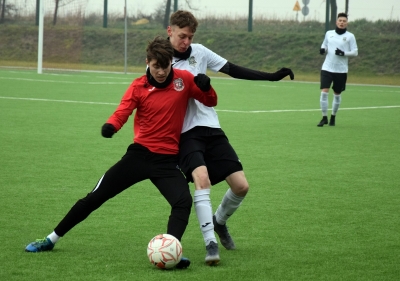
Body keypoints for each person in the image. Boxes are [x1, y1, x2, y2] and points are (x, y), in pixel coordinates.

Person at [24, 36, 218, 270]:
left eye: (165, 67)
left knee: (182, 201)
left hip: (167, 161)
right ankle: (50, 239)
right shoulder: (138, 86)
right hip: (138, 156)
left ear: (171, 64)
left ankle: (170, 250)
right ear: (147, 62)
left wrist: (207, 88)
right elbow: (123, 111)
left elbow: (210, 100)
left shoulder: (183, 80)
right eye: (156, 66)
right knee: (95, 196)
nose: (161, 72)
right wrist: (112, 126)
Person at [167, 10, 294, 265]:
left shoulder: (200, 52)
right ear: (170, 31)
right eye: (182, 36)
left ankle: (219, 222)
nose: (187, 42)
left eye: (190, 37)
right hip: (185, 133)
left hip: (211, 128)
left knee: (241, 186)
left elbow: (232, 69)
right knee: (202, 180)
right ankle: (210, 243)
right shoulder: (159, 59)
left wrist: (270, 76)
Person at [317, 12, 358, 127]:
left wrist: (343, 53)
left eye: (344, 21)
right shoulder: (329, 33)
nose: (342, 23)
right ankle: (324, 117)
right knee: (324, 92)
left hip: (341, 70)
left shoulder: (350, 36)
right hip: (327, 68)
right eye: (340, 21)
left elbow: (355, 52)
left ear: (347, 23)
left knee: (337, 94)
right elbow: (324, 45)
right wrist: (322, 49)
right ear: (336, 22)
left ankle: (333, 116)